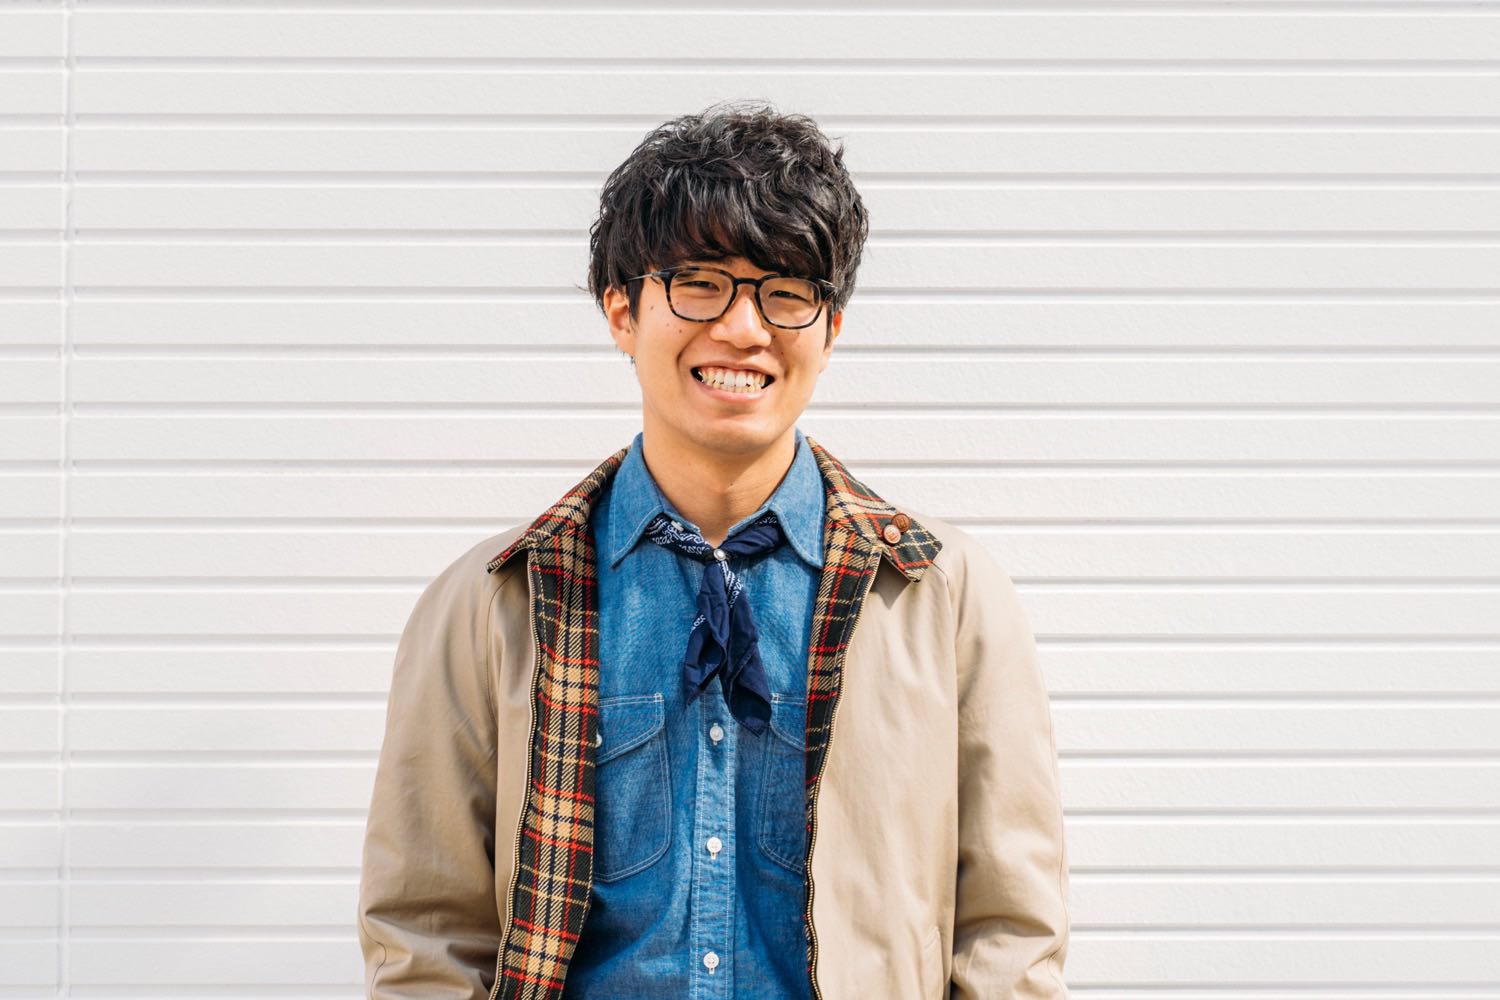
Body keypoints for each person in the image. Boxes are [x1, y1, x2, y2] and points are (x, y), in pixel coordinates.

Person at [357, 99, 1071, 1000]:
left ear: (830, 328)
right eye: (699, 283)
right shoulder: (493, 602)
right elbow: (424, 933)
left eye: (786, 292)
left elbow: (1011, 932)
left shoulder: (942, 597)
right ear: (622, 310)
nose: (744, 329)